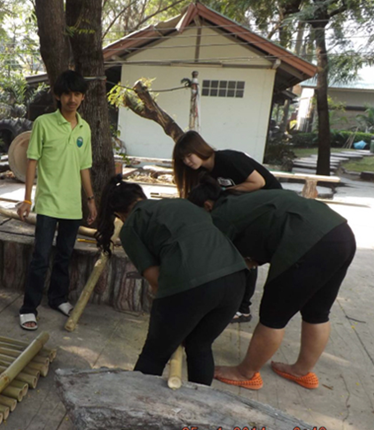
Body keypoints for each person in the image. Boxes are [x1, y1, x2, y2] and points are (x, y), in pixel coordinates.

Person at [188, 176, 356, 390]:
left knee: (273, 316)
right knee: (317, 312)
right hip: (340, 235)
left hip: (308, 244)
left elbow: (218, 264)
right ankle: (301, 371)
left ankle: (246, 373)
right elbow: (265, 234)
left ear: (207, 206)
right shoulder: (245, 199)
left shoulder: (221, 215)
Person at [95, 175, 247, 386]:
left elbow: (156, 280)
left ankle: (137, 399)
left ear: (119, 214)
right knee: (200, 346)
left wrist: (171, 319)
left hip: (189, 283)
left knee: (154, 354)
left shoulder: (131, 227)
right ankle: (200, 403)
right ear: (141, 196)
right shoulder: (182, 204)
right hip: (235, 278)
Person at [172, 130, 283, 324]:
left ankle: (243, 309)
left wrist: (226, 191)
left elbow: (259, 182)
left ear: (199, 149)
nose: (187, 162)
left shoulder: (228, 159)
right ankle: (233, 304)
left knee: (246, 255)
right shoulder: (205, 173)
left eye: (189, 155)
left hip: (270, 208)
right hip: (244, 210)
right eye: (183, 159)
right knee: (238, 253)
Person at [16, 70, 97, 331]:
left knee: (64, 256)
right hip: (48, 203)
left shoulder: (84, 128)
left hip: (73, 205)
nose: (72, 99)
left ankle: (58, 299)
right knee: (40, 257)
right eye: (67, 94)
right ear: (58, 96)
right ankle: (29, 308)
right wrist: (27, 199)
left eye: (77, 94)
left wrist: (90, 200)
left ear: (83, 97)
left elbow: (84, 167)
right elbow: (32, 161)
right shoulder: (43, 123)